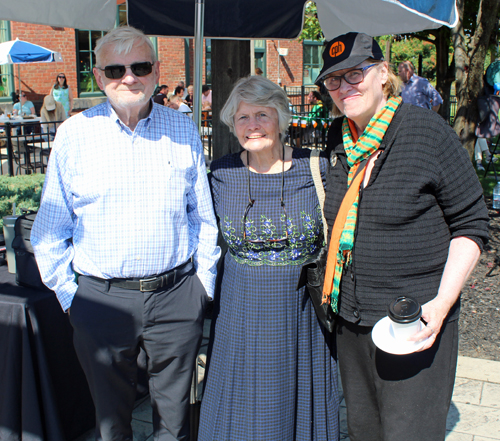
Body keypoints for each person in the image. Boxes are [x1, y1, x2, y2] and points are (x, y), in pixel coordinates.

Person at [31, 25, 220, 441]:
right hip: (100, 301)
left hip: (176, 298)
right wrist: (71, 298)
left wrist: (201, 287)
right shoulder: (74, 135)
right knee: (110, 424)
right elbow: (48, 231)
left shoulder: (183, 128)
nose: (128, 78)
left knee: (175, 424)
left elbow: (203, 218)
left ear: (155, 71)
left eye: (139, 66)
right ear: (99, 77)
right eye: (115, 69)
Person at [316, 32, 489, 441]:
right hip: (352, 321)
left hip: (413, 322)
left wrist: (442, 304)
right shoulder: (338, 141)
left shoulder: (426, 133)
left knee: (409, 433)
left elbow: (471, 224)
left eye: (355, 74)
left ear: (383, 74)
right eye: (333, 80)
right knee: (365, 432)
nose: (344, 87)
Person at [198, 75, 339, 440]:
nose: (253, 125)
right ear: (232, 124)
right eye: (243, 117)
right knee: (244, 407)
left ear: (280, 118)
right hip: (239, 311)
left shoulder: (317, 168)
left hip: (301, 311)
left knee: (295, 402)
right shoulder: (220, 174)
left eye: (262, 114)